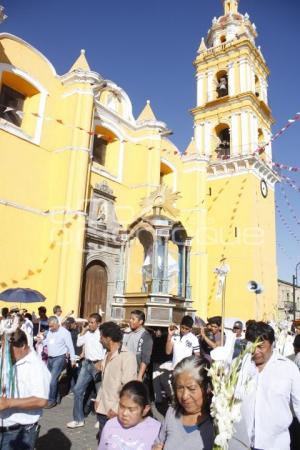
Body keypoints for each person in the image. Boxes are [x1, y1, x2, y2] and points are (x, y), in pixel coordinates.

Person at [229, 321, 300, 450]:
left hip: (275, 445)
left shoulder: (289, 369)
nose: (255, 351)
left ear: (272, 344)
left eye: (261, 346)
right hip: (240, 444)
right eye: (252, 346)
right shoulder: (237, 366)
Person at [0, 329, 51, 450]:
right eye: (2, 347)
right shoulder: (8, 358)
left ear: (22, 346)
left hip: (19, 432)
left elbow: (41, 401)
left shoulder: (36, 367)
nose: (3, 352)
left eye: (7, 349)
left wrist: (9, 403)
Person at [153, 356, 214, 450]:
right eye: (180, 388)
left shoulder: (215, 425)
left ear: (208, 388)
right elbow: (159, 441)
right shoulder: (172, 413)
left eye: (192, 389)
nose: (184, 396)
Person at [95, 321, 137, 436]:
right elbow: (105, 382)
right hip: (102, 409)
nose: (99, 340)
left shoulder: (127, 357)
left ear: (109, 339)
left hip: (114, 413)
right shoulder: (107, 354)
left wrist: (116, 409)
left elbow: (128, 388)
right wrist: (98, 399)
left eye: (101, 336)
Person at [67, 313, 105, 428]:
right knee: (78, 390)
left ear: (98, 324)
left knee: (101, 393)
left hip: (97, 365)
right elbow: (79, 343)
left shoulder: (102, 335)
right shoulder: (87, 333)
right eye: (89, 322)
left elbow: (107, 350)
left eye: (92, 322)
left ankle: (101, 419)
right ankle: (78, 419)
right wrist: (83, 332)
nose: (90, 324)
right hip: (86, 364)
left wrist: (102, 363)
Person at [98, 380, 160, 450]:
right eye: (121, 406)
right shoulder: (110, 425)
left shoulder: (156, 429)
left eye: (131, 410)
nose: (124, 413)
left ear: (145, 410)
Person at [41, 316, 76, 408]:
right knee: (50, 379)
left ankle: (51, 400)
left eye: (52, 326)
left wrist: (72, 359)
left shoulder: (65, 333)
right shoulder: (50, 331)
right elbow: (47, 342)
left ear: (57, 324)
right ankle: (57, 397)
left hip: (59, 358)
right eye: (49, 326)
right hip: (50, 358)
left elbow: (70, 347)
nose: (50, 328)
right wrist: (41, 340)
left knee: (52, 380)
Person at [122, 309, 153, 381]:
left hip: (135, 373)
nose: (130, 321)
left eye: (133, 319)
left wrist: (139, 376)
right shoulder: (126, 332)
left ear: (140, 322)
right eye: (130, 318)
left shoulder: (145, 336)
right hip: (123, 370)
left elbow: (145, 359)